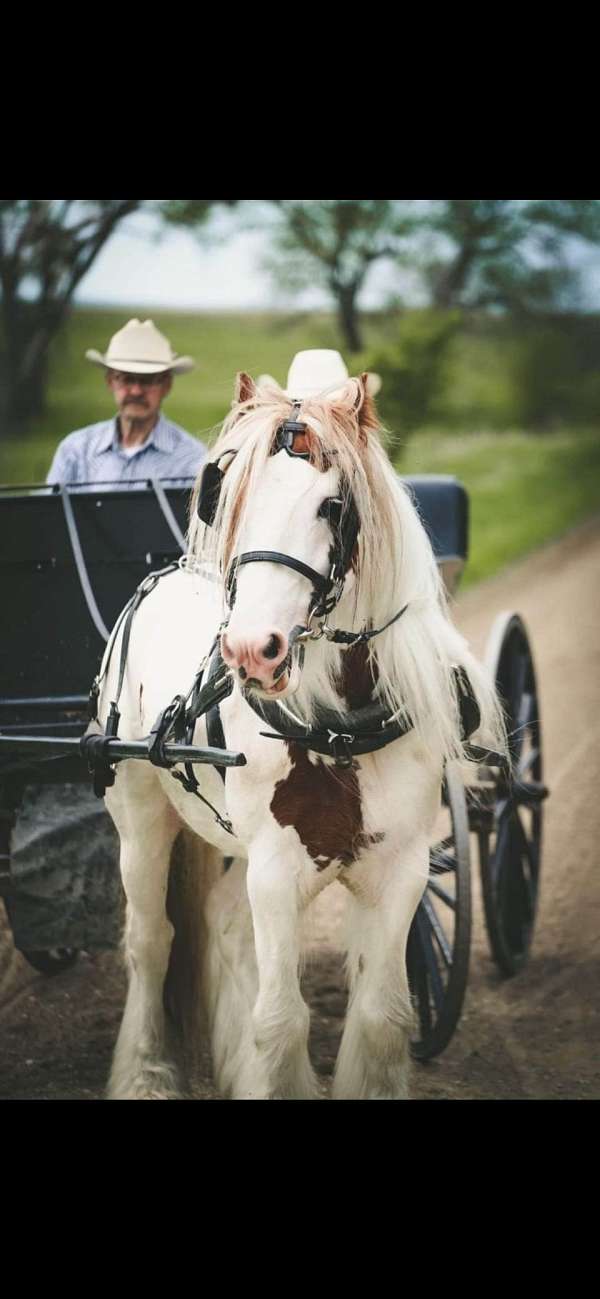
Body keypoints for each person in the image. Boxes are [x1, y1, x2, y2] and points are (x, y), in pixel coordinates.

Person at [46, 318, 207, 484]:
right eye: (126, 379)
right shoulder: (75, 451)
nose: (136, 391)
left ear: (166, 385)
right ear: (110, 381)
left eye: (147, 380)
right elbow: (48, 510)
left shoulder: (193, 459)